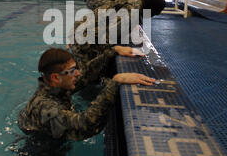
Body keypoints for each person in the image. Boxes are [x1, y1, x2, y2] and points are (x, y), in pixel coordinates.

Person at [17, 48, 155, 140]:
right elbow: (85, 125)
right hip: (41, 151)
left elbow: (86, 74)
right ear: (55, 78)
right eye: (72, 70)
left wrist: (112, 52)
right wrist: (114, 84)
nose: (77, 73)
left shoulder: (57, 86)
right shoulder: (45, 106)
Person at [70, 0, 166, 70]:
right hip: (82, 37)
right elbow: (106, 39)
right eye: (154, 14)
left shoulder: (131, 2)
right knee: (86, 75)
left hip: (80, 29)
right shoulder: (131, 16)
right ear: (151, 11)